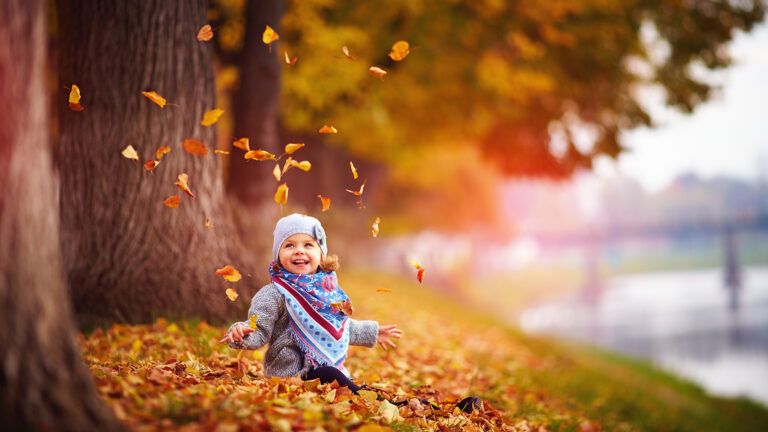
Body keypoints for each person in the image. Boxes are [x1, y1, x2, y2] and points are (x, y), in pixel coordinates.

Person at [220, 213, 403, 393]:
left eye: (308, 245)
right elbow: (258, 327)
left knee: (337, 377)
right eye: (289, 245)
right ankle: (362, 393)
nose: (299, 250)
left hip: (325, 368)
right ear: (278, 255)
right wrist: (241, 332)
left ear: (321, 255)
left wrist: (372, 332)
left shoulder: (328, 292)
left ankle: (371, 396)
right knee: (331, 374)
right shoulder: (274, 293)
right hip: (291, 373)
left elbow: (338, 327)